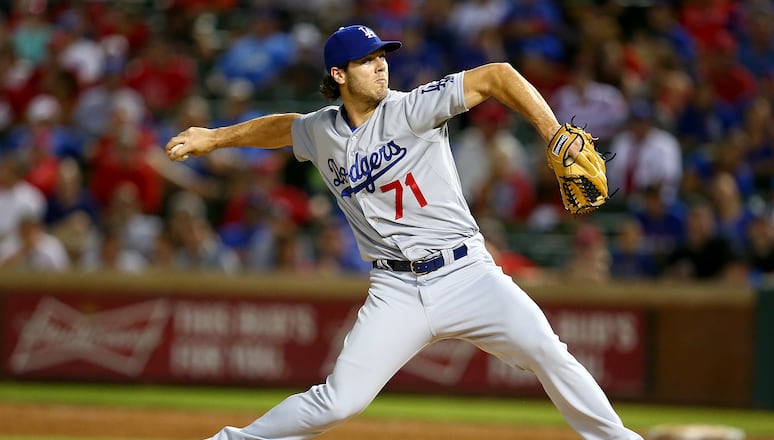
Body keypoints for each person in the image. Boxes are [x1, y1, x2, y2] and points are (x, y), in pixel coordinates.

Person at [166, 25, 642, 440]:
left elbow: (498, 75)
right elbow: (283, 127)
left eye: (381, 58)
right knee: (338, 402)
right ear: (339, 75)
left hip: (467, 275)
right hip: (395, 290)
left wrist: (552, 131)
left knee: (546, 350)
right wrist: (214, 137)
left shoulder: (413, 108)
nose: (380, 67)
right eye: (366, 61)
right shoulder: (322, 131)